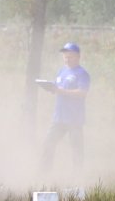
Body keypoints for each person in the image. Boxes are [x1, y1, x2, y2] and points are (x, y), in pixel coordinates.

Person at [38, 41, 90, 175]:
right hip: (59, 118)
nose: (67, 58)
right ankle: (43, 176)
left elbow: (82, 92)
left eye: (70, 56)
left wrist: (61, 91)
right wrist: (50, 88)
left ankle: (77, 179)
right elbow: (57, 87)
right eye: (65, 56)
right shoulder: (62, 71)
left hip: (74, 119)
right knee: (48, 144)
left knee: (76, 150)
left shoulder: (82, 73)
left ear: (78, 57)